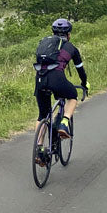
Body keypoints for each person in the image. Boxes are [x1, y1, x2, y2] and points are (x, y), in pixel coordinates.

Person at [34, 18, 88, 146]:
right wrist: (84, 83)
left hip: (40, 78)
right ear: (68, 34)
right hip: (57, 78)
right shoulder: (71, 48)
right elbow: (80, 69)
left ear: (53, 33)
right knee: (72, 95)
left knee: (43, 115)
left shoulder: (45, 43)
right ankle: (64, 122)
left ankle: (39, 149)